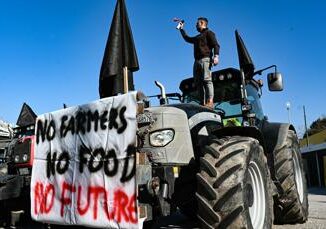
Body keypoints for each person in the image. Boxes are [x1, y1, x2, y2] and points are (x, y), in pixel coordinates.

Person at [177, 17, 220, 108]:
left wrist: (216, 56)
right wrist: (181, 29)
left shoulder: (209, 33)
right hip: (196, 61)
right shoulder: (197, 37)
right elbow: (187, 39)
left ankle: (210, 101)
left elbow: (216, 45)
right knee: (198, 82)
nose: (196, 25)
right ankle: (202, 102)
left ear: (202, 23)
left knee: (207, 80)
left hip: (206, 59)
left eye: (197, 24)